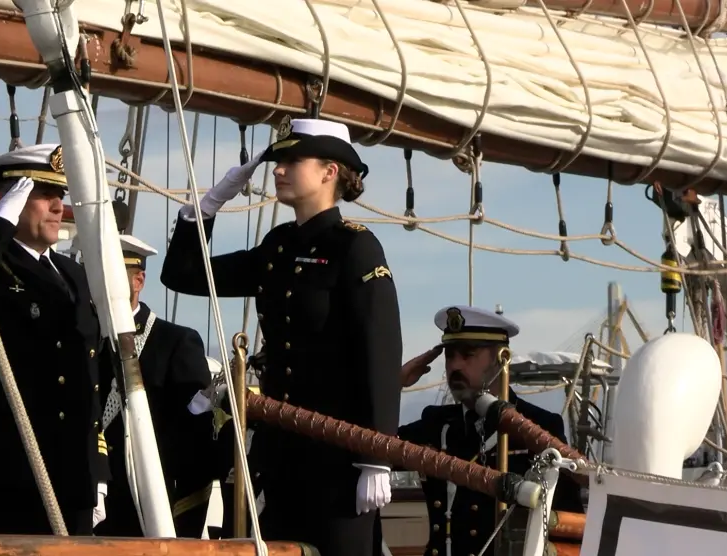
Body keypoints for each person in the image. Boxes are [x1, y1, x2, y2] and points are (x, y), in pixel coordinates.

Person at [160, 118, 403, 555]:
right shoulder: (278, 246)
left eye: (293, 160)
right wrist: (206, 208)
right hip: (281, 453)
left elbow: (380, 354)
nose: (278, 169)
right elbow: (184, 275)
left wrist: (376, 456)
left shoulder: (355, 247)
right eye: (277, 161)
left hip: (340, 456)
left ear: (330, 172)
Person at [0, 144, 109, 535]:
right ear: (10, 202)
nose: (57, 207)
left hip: (75, 473)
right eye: (44, 196)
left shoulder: (72, 274)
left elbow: (93, 374)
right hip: (12, 470)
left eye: (61, 196)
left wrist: (99, 467)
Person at [396, 306, 585, 556]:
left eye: (467, 354)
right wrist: (394, 384)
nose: (455, 366)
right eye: (450, 355)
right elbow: (368, 446)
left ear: (501, 358)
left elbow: (568, 523)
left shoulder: (539, 427)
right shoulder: (438, 424)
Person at [92, 235, 217, 538]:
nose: (102, 287)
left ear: (138, 281)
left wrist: (183, 520)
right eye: (96, 278)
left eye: (112, 277)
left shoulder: (174, 342)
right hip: (81, 494)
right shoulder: (80, 340)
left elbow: (195, 442)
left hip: (145, 506)